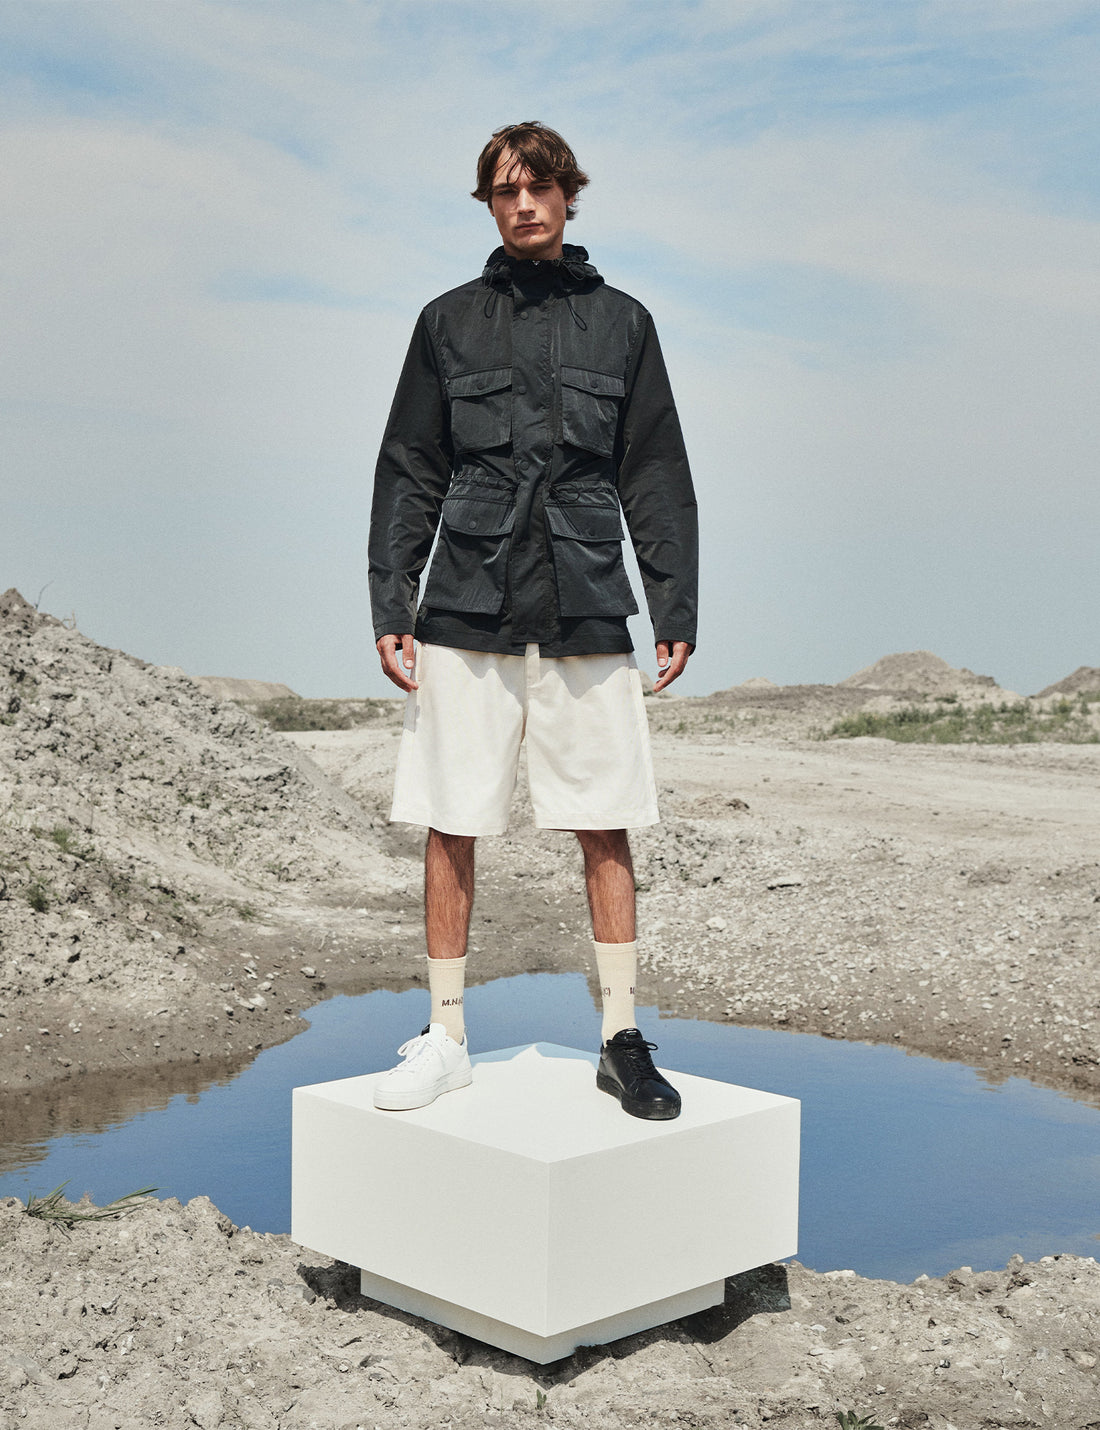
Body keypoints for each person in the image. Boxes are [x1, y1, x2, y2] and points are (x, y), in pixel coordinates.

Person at [367, 121, 698, 1120]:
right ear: (489, 204)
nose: (523, 205)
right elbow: (410, 466)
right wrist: (392, 600)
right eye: (505, 191)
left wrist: (673, 600)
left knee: (605, 820)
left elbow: (653, 469)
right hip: (464, 605)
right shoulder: (446, 323)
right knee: (451, 819)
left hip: (587, 602)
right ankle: (444, 1037)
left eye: (538, 188)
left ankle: (621, 1039)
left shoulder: (624, 324)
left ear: (566, 195)